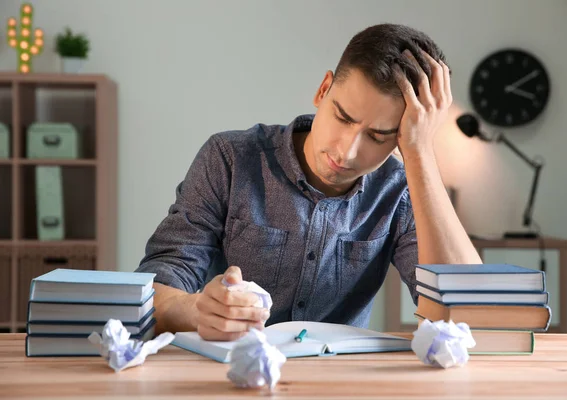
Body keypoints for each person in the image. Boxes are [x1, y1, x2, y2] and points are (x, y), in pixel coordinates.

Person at [136, 23, 482, 341]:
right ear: (323, 90)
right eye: (343, 117)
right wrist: (196, 310)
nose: (347, 153)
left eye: (378, 136)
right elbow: (160, 279)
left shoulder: (400, 190)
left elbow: (469, 312)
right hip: (227, 374)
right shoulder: (229, 157)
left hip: (338, 383)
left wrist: (420, 152)